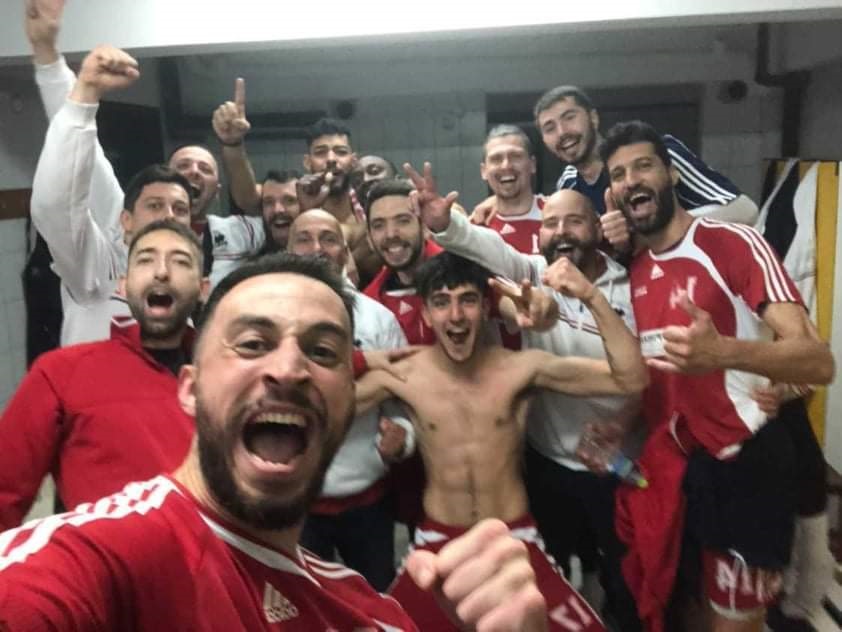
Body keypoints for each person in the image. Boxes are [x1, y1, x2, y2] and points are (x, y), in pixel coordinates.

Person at [0, 253, 550, 631]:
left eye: (323, 351)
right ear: (189, 389)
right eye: (252, 343)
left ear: (347, 401)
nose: (289, 369)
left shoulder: (364, 611)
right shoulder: (103, 561)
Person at [599, 120, 834, 632]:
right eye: (618, 174)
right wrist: (622, 423)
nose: (631, 180)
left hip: (745, 466)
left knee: (734, 624)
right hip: (678, 469)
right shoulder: (636, 270)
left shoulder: (732, 242)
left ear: (671, 174)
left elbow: (818, 361)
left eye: (643, 165)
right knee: (685, 612)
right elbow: (663, 376)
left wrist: (725, 352)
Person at [356, 247, 648, 630]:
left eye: (467, 300)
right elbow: (323, 403)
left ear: (485, 309)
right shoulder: (403, 373)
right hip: (435, 540)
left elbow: (631, 379)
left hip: (515, 537)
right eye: (441, 302)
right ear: (425, 314)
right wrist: (363, 360)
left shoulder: (520, 369)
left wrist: (592, 297)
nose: (456, 315)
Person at [427, 176, 643, 629]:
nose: (561, 232)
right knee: (549, 573)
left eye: (574, 222)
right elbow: (482, 245)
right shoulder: (531, 272)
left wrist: (624, 422)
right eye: (550, 223)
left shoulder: (633, 285)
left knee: (625, 578)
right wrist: (446, 224)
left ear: (597, 228)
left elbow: (653, 375)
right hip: (547, 460)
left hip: (616, 466)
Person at [0, 219, 207, 530]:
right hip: (110, 559)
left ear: (203, 288)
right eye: (145, 260)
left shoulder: (227, 378)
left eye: (180, 261)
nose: (162, 272)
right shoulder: (63, 372)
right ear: (123, 286)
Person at [287, 210, 413, 591]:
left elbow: (402, 404)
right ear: (289, 250)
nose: (317, 248)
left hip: (368, 502)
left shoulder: (378, 319)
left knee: (379, 600)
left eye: (328, 238)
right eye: (304, 239)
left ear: (345, 250)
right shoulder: (270, 316)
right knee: (306, 605)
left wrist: (402, 439)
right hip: (295, 502)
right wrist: (365, 368)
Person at [478, 124, 545, 255]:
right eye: (496, 159)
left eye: (515, 156)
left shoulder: (557, 216)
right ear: (484, 171)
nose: (506, 166)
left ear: (532, 164)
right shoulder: (476, 228)